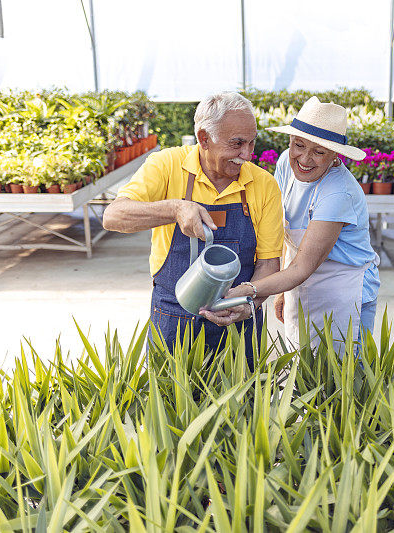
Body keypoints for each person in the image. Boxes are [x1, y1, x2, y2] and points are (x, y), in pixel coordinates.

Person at [102, 92, 283, 366]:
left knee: (243, 407)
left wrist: (249, 303)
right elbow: (113, 216)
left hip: (238, 319)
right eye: (236, 144)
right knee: (171, 403)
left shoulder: (264, 184)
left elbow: (269, 263)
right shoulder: (166, 165)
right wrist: (174, 209)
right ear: (204, 138)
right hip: (174, 316)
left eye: (251, 142)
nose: (247, 154)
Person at [208, 96, 379, 349]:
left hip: (343, 291)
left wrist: (250, 290)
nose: (305, 159)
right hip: (300, 284)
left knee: (343, 380)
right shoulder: (286, 164)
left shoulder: (337, 192)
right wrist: (280, 291)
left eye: (319, 151)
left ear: (335, 155)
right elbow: (284, 233)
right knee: (303, 375)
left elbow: (302, 267)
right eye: (299, 145)